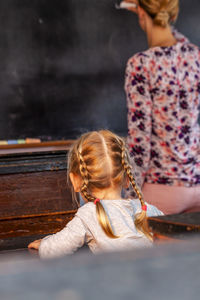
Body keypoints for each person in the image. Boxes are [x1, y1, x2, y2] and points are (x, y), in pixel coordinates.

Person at [28, 130, 163, 259]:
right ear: (127, 178)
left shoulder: (89, 213)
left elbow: (54, 250)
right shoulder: (148, 209)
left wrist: (44, 244)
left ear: (75, 180)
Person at [123, 0, 200, 214]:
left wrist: (131, 198)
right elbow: (180, 46)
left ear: (140, 11)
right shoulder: (195, 55)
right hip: (197, 182)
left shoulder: (140, 64)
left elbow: (140, 139)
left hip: (162, 189)